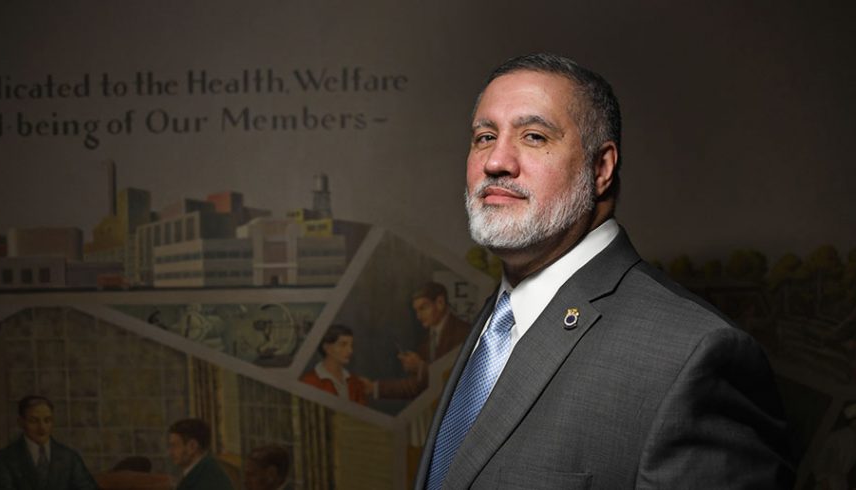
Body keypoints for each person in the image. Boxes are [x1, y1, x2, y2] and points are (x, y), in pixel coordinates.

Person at [416, 53, 794, 490]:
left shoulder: (694, 356)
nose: (496, 161)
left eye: (534, 136)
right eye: (484, 137)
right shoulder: (498, 321)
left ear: (601, 168)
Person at [373, 282, 470, 399]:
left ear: (440, 303)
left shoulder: (463, 333)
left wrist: (420, 367)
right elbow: (416, 386)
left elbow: (458, 378)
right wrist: (374, 387)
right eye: (416, 311)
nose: (418, 316)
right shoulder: (427, 340)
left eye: (423, 308)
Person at [0, 395, 98, 490]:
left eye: (47, 420)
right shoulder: (2, 461)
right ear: (21, 422)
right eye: (34, 421)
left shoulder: (69, 458)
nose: (42, 428)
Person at [299, 324, 369, 405]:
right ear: (327, 348)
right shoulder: (309, 382)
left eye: (351, 345)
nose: (350, 351)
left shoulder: (355, 382)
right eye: (343, 344)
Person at [167, 418, 234, 490]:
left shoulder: (207, 480)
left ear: (192, 446)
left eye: (175, 446)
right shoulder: (204, 467)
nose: (170, 452)